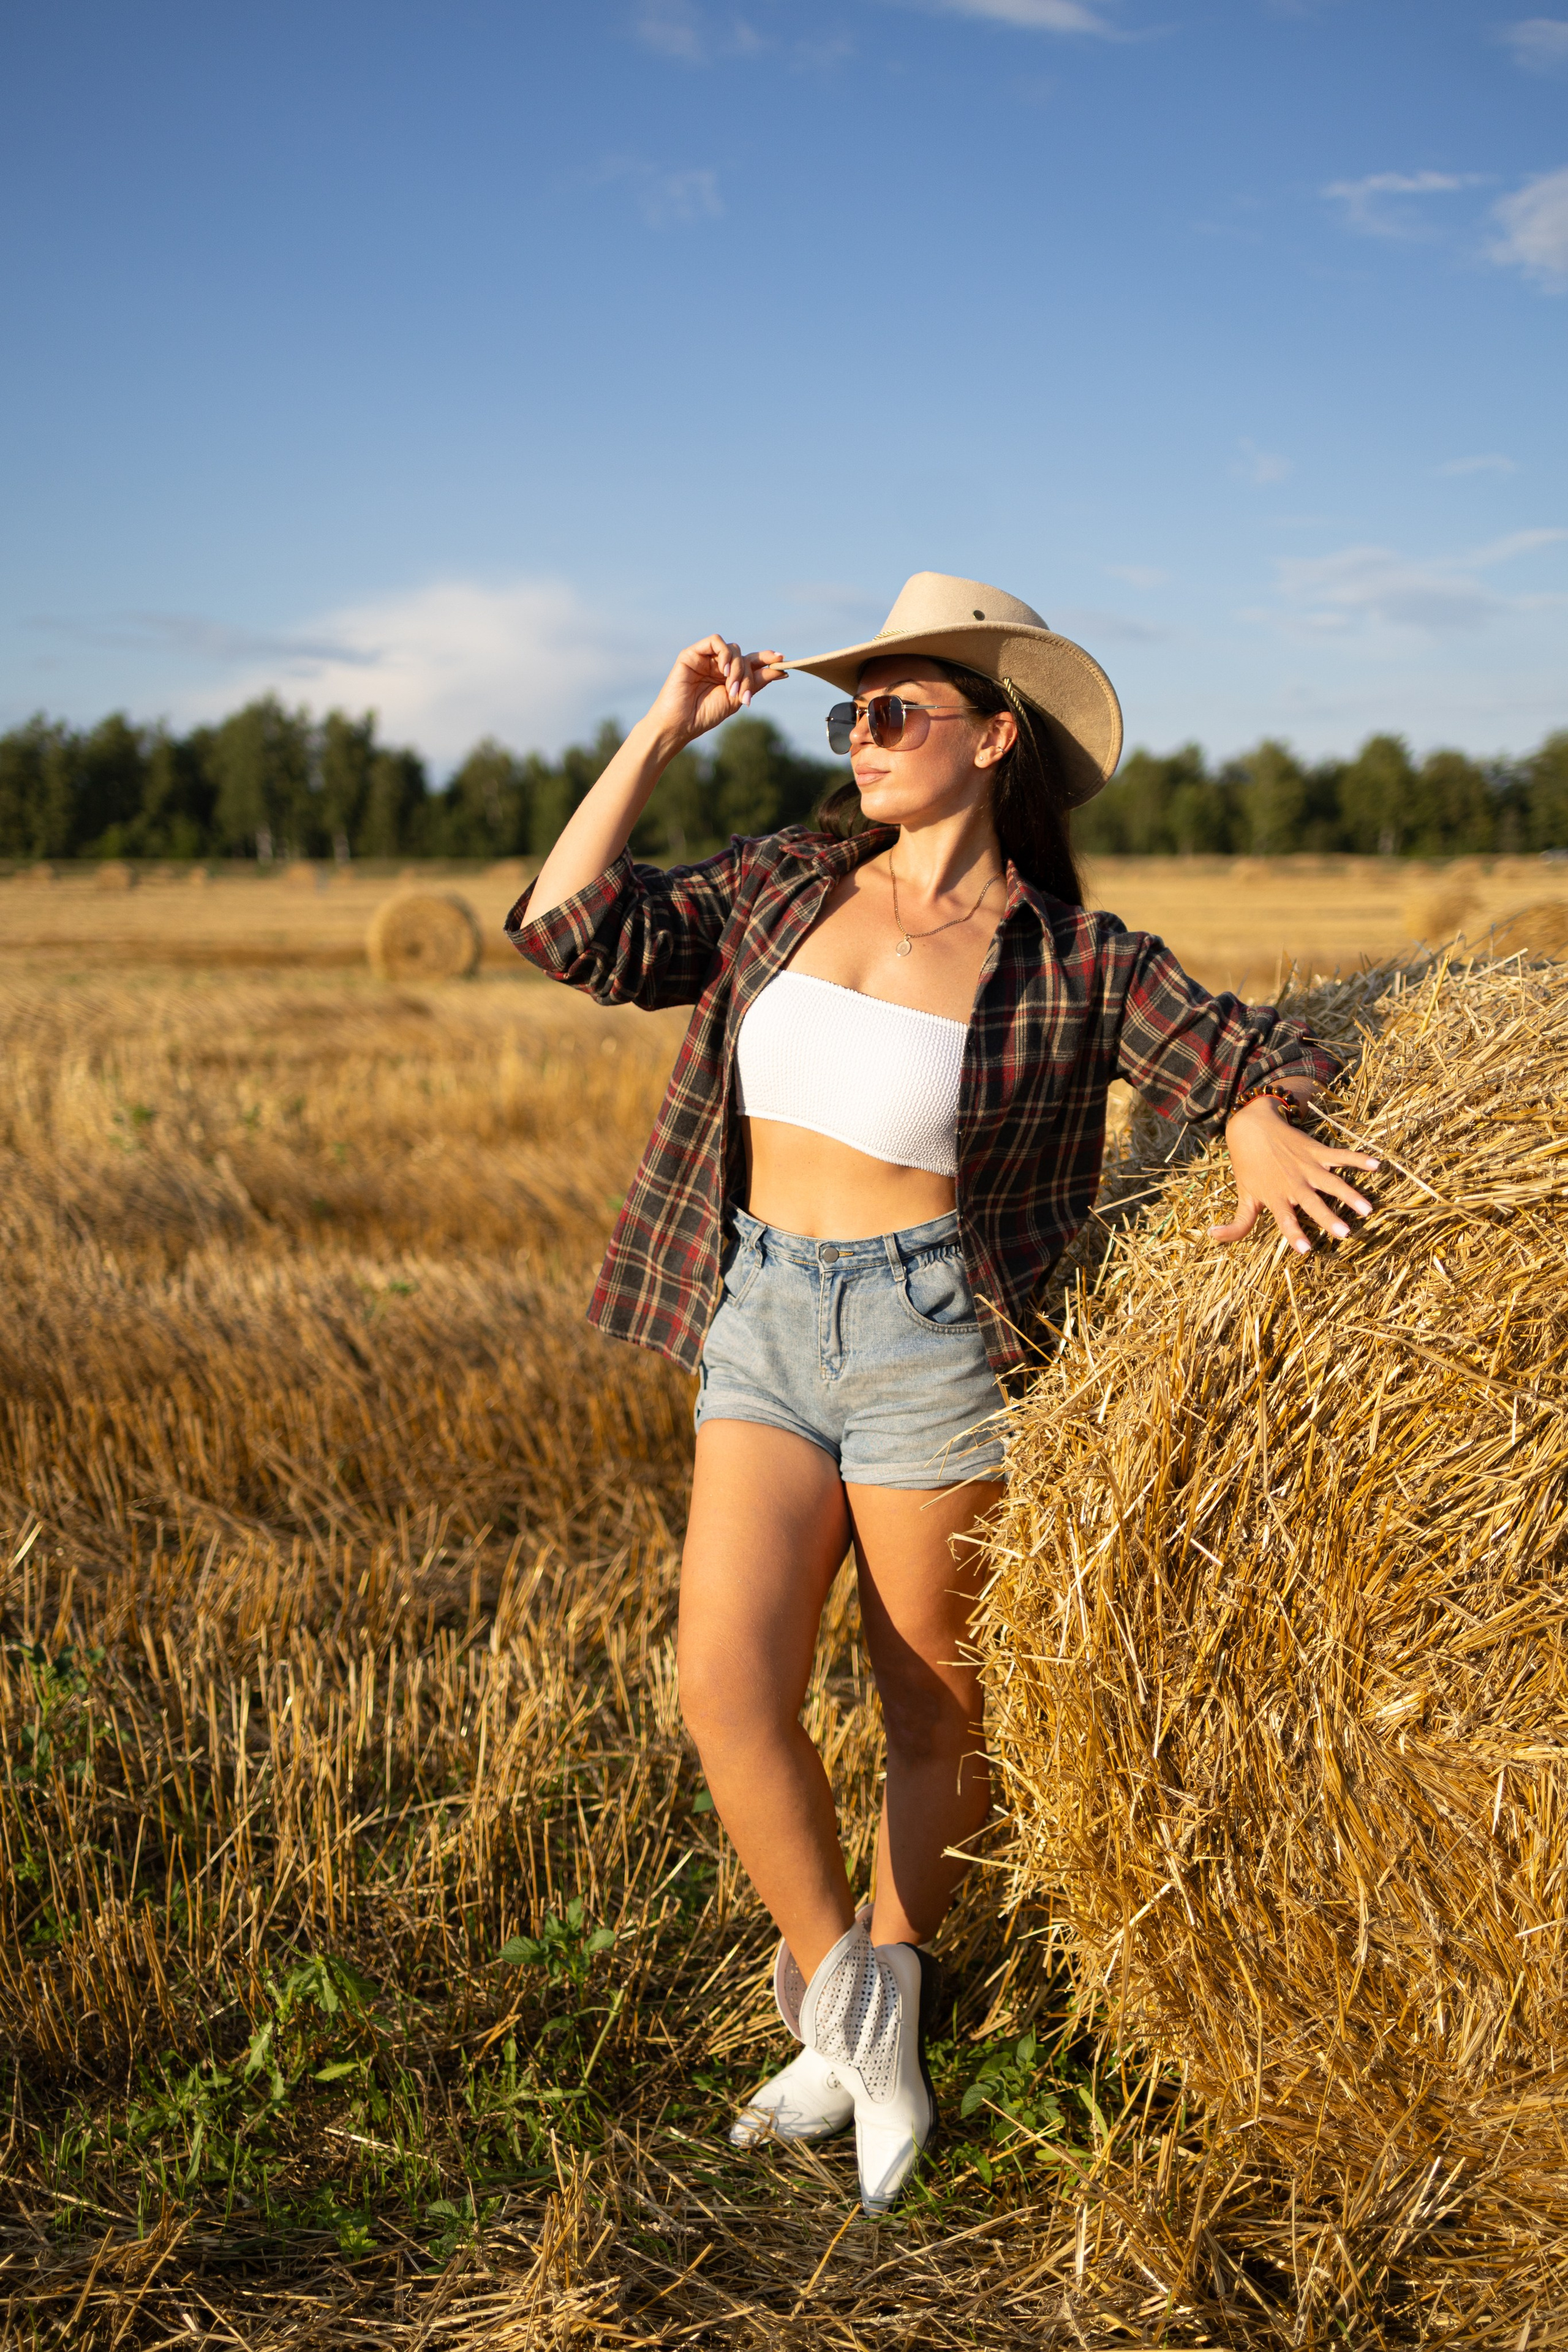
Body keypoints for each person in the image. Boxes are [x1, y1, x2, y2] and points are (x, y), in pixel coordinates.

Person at [505, 572, 1374, 2215]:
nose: (859, 738)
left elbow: (1262, 1052)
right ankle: (854, 2009)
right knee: (725, 1687)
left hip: (935, 1341)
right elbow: (569, 931)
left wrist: (1255, 1116)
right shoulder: (782, 883)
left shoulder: (1078, 957)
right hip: (762, 1313)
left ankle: (886, 1997)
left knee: (932, 1707)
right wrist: (663, 731)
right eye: (849, 716)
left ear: (994, 740)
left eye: (894, 712)